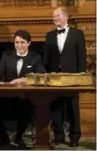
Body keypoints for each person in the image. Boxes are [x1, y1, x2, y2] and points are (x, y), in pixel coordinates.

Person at [0, 30, 46, 148]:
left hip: (26, 96)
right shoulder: (7, 55)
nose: (19, 45)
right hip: (7, 95)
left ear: (29, 43)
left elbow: (41, 74)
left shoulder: (35, 57)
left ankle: (18, 136)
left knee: (27, 108)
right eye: (16, 42)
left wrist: (23, 80)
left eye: (22, 42)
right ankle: (3, 138)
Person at [43, 7, 86, 147]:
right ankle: (59, 136)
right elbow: (46, 58)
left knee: (73, 107)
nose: (55, 18)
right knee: (56, 108)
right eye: (53, 16)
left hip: (72, 77)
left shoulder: (78, 34)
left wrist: (81, 73)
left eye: (58, 15)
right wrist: (46, 74)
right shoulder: (49, 35)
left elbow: (82, 56)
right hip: (54, 78)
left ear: (66, 16)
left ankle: (74, 137)